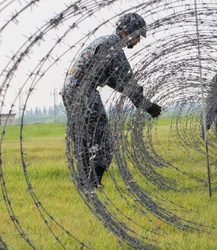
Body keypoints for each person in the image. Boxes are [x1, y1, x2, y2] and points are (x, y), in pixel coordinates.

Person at [60, 12, 161, 188]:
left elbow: (115, 80)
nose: (138, 41)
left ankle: (85, 182)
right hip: (84, 92)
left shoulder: (104, 41)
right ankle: (92, 183)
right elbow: (127, 82)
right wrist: (148, 106)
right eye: (137, 36)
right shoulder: (114, 47)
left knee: (83, 139)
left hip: (70, 91)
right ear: (127, 32)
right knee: (103, 140)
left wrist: (136, 94)